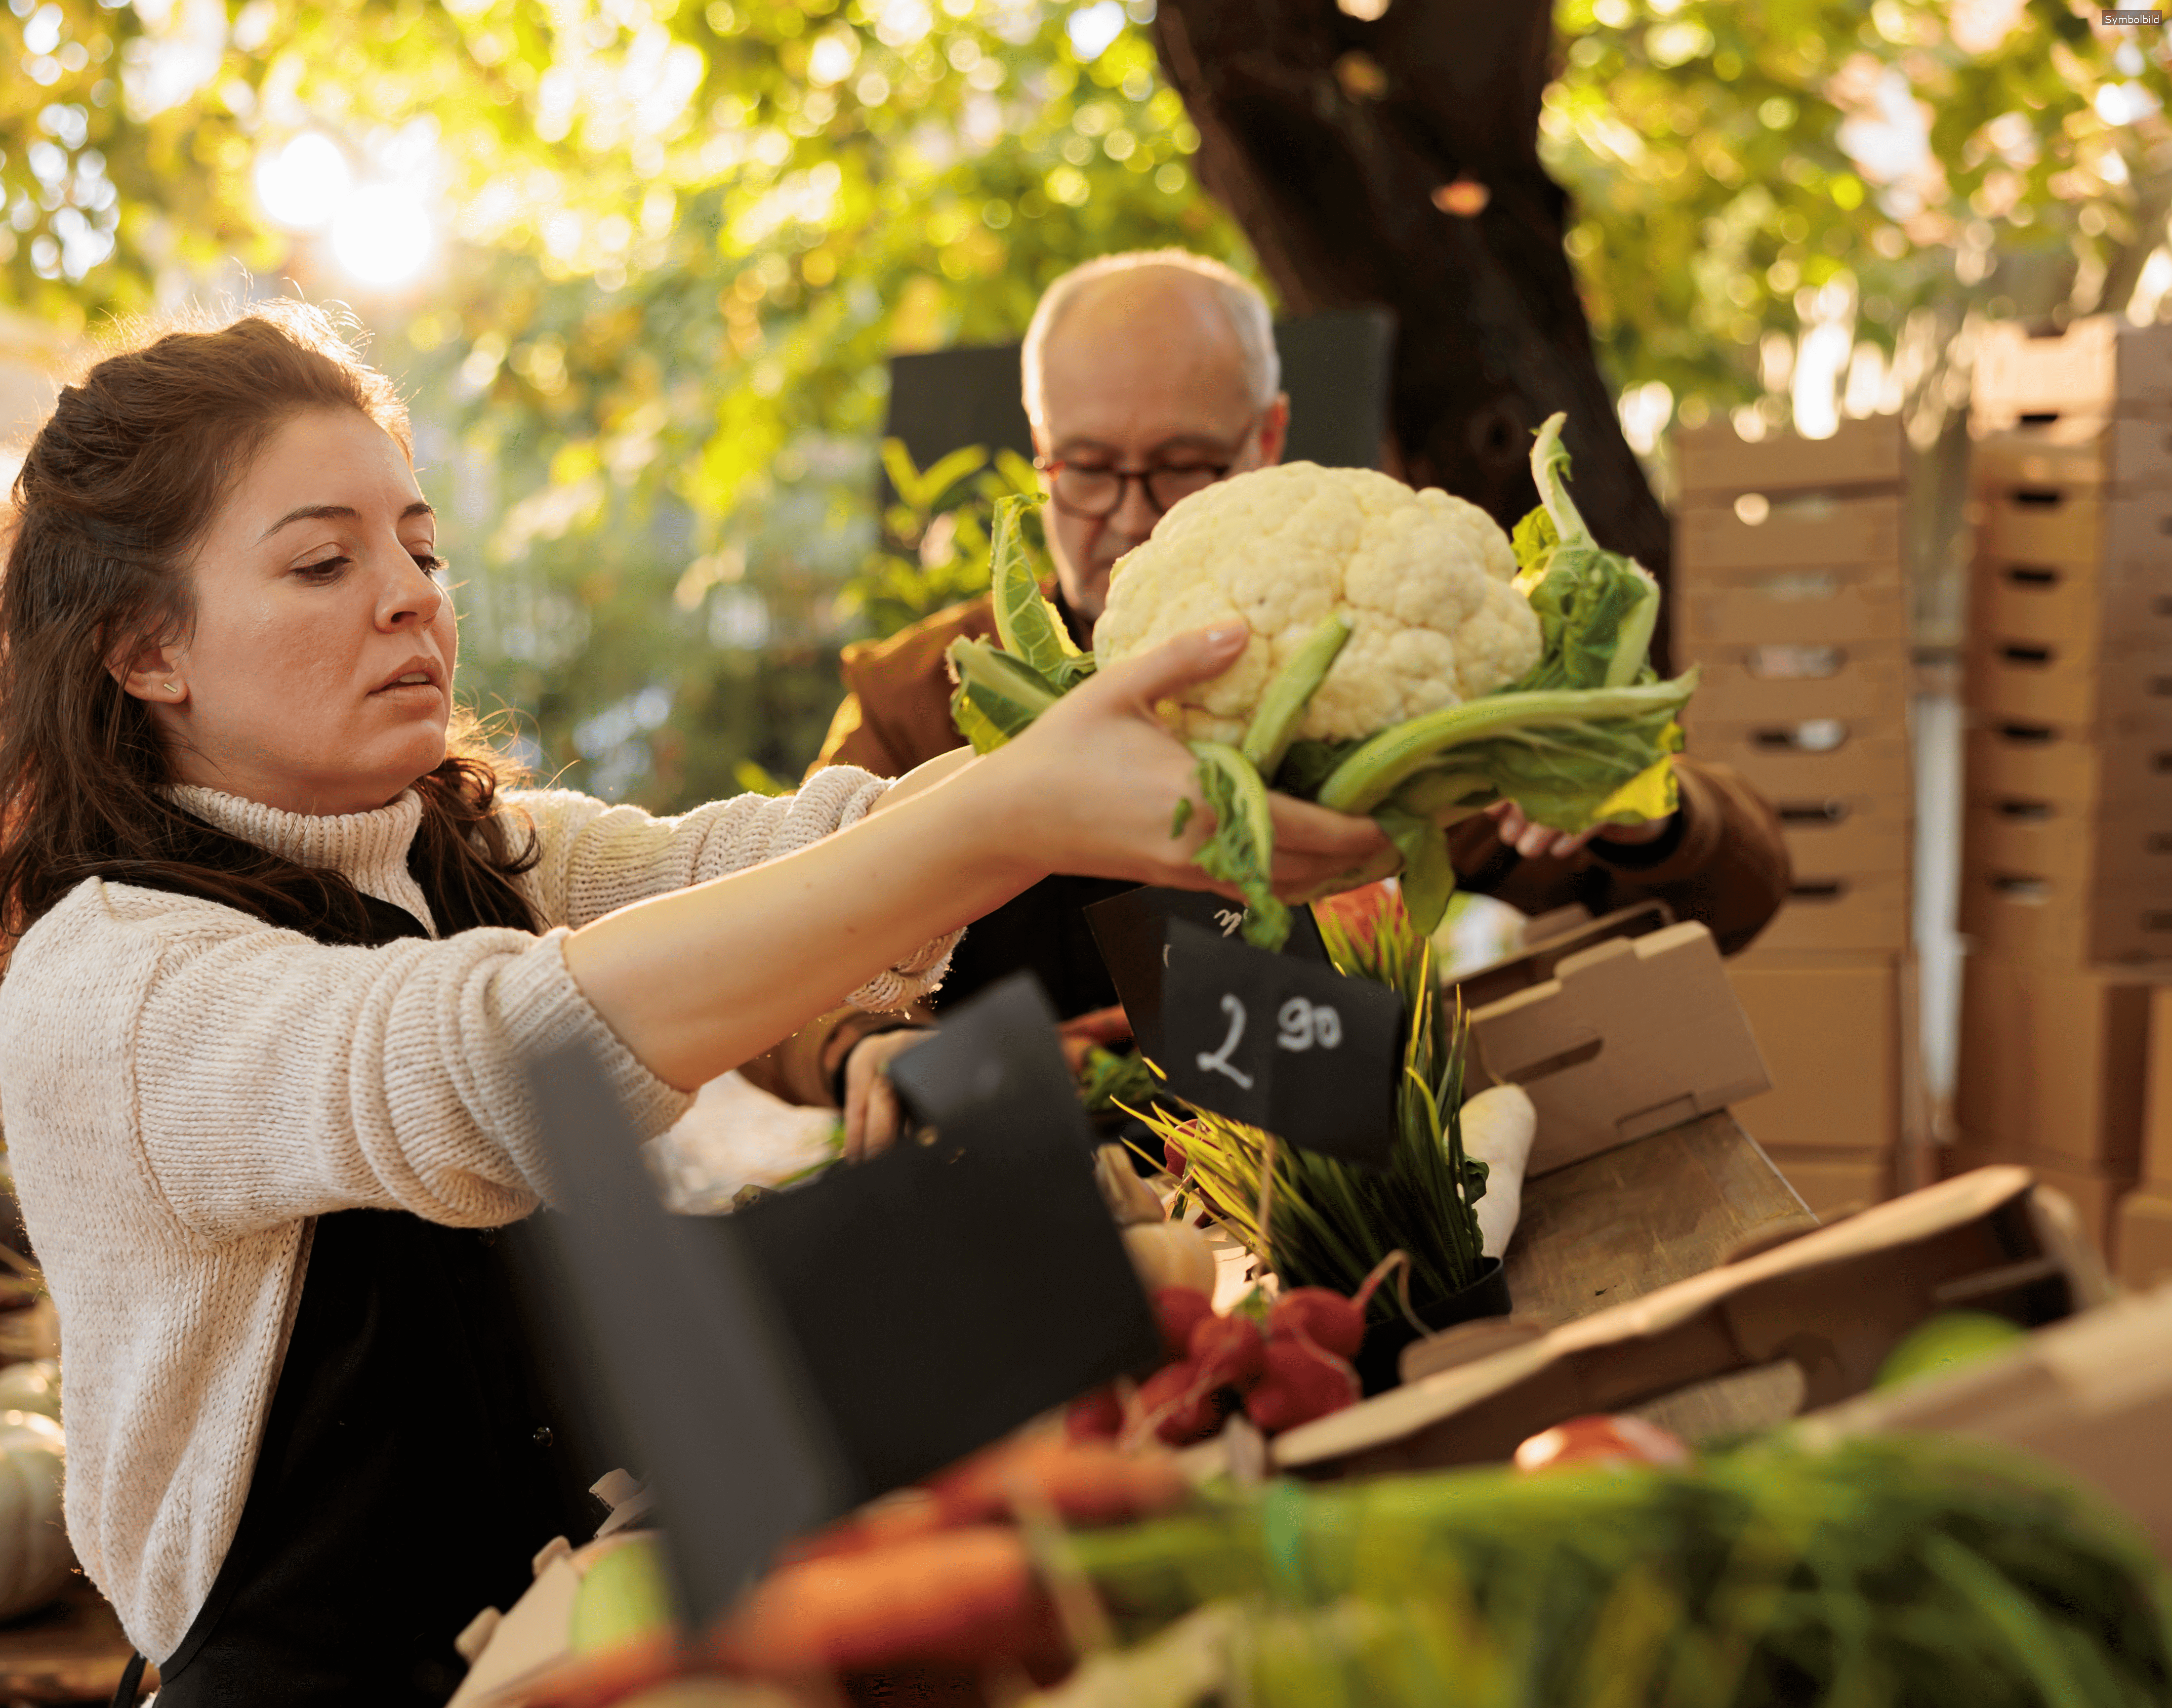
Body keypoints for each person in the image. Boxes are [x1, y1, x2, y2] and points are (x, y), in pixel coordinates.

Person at [0, 304, 1353, 1708]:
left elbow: (764, 856)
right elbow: (483, 1066)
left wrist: (1109, 761)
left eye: (419, 545)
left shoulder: (467, 850)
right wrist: (1014, 817)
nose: (410, 597)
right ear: (146, 647)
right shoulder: (115, 984)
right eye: (322, 561)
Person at [753, 251, 1788, 1152]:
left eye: (1176, 467)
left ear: (1266, 437)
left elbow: (1737, 897)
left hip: (1329, 1197)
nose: (1124, 518)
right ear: (1040, 448)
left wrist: (1638, 814)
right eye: (1088, 469)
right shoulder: (920, 699)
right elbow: (765, 962)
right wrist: (855, 1051)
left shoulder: (1357, 679)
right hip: (1028, 1197)